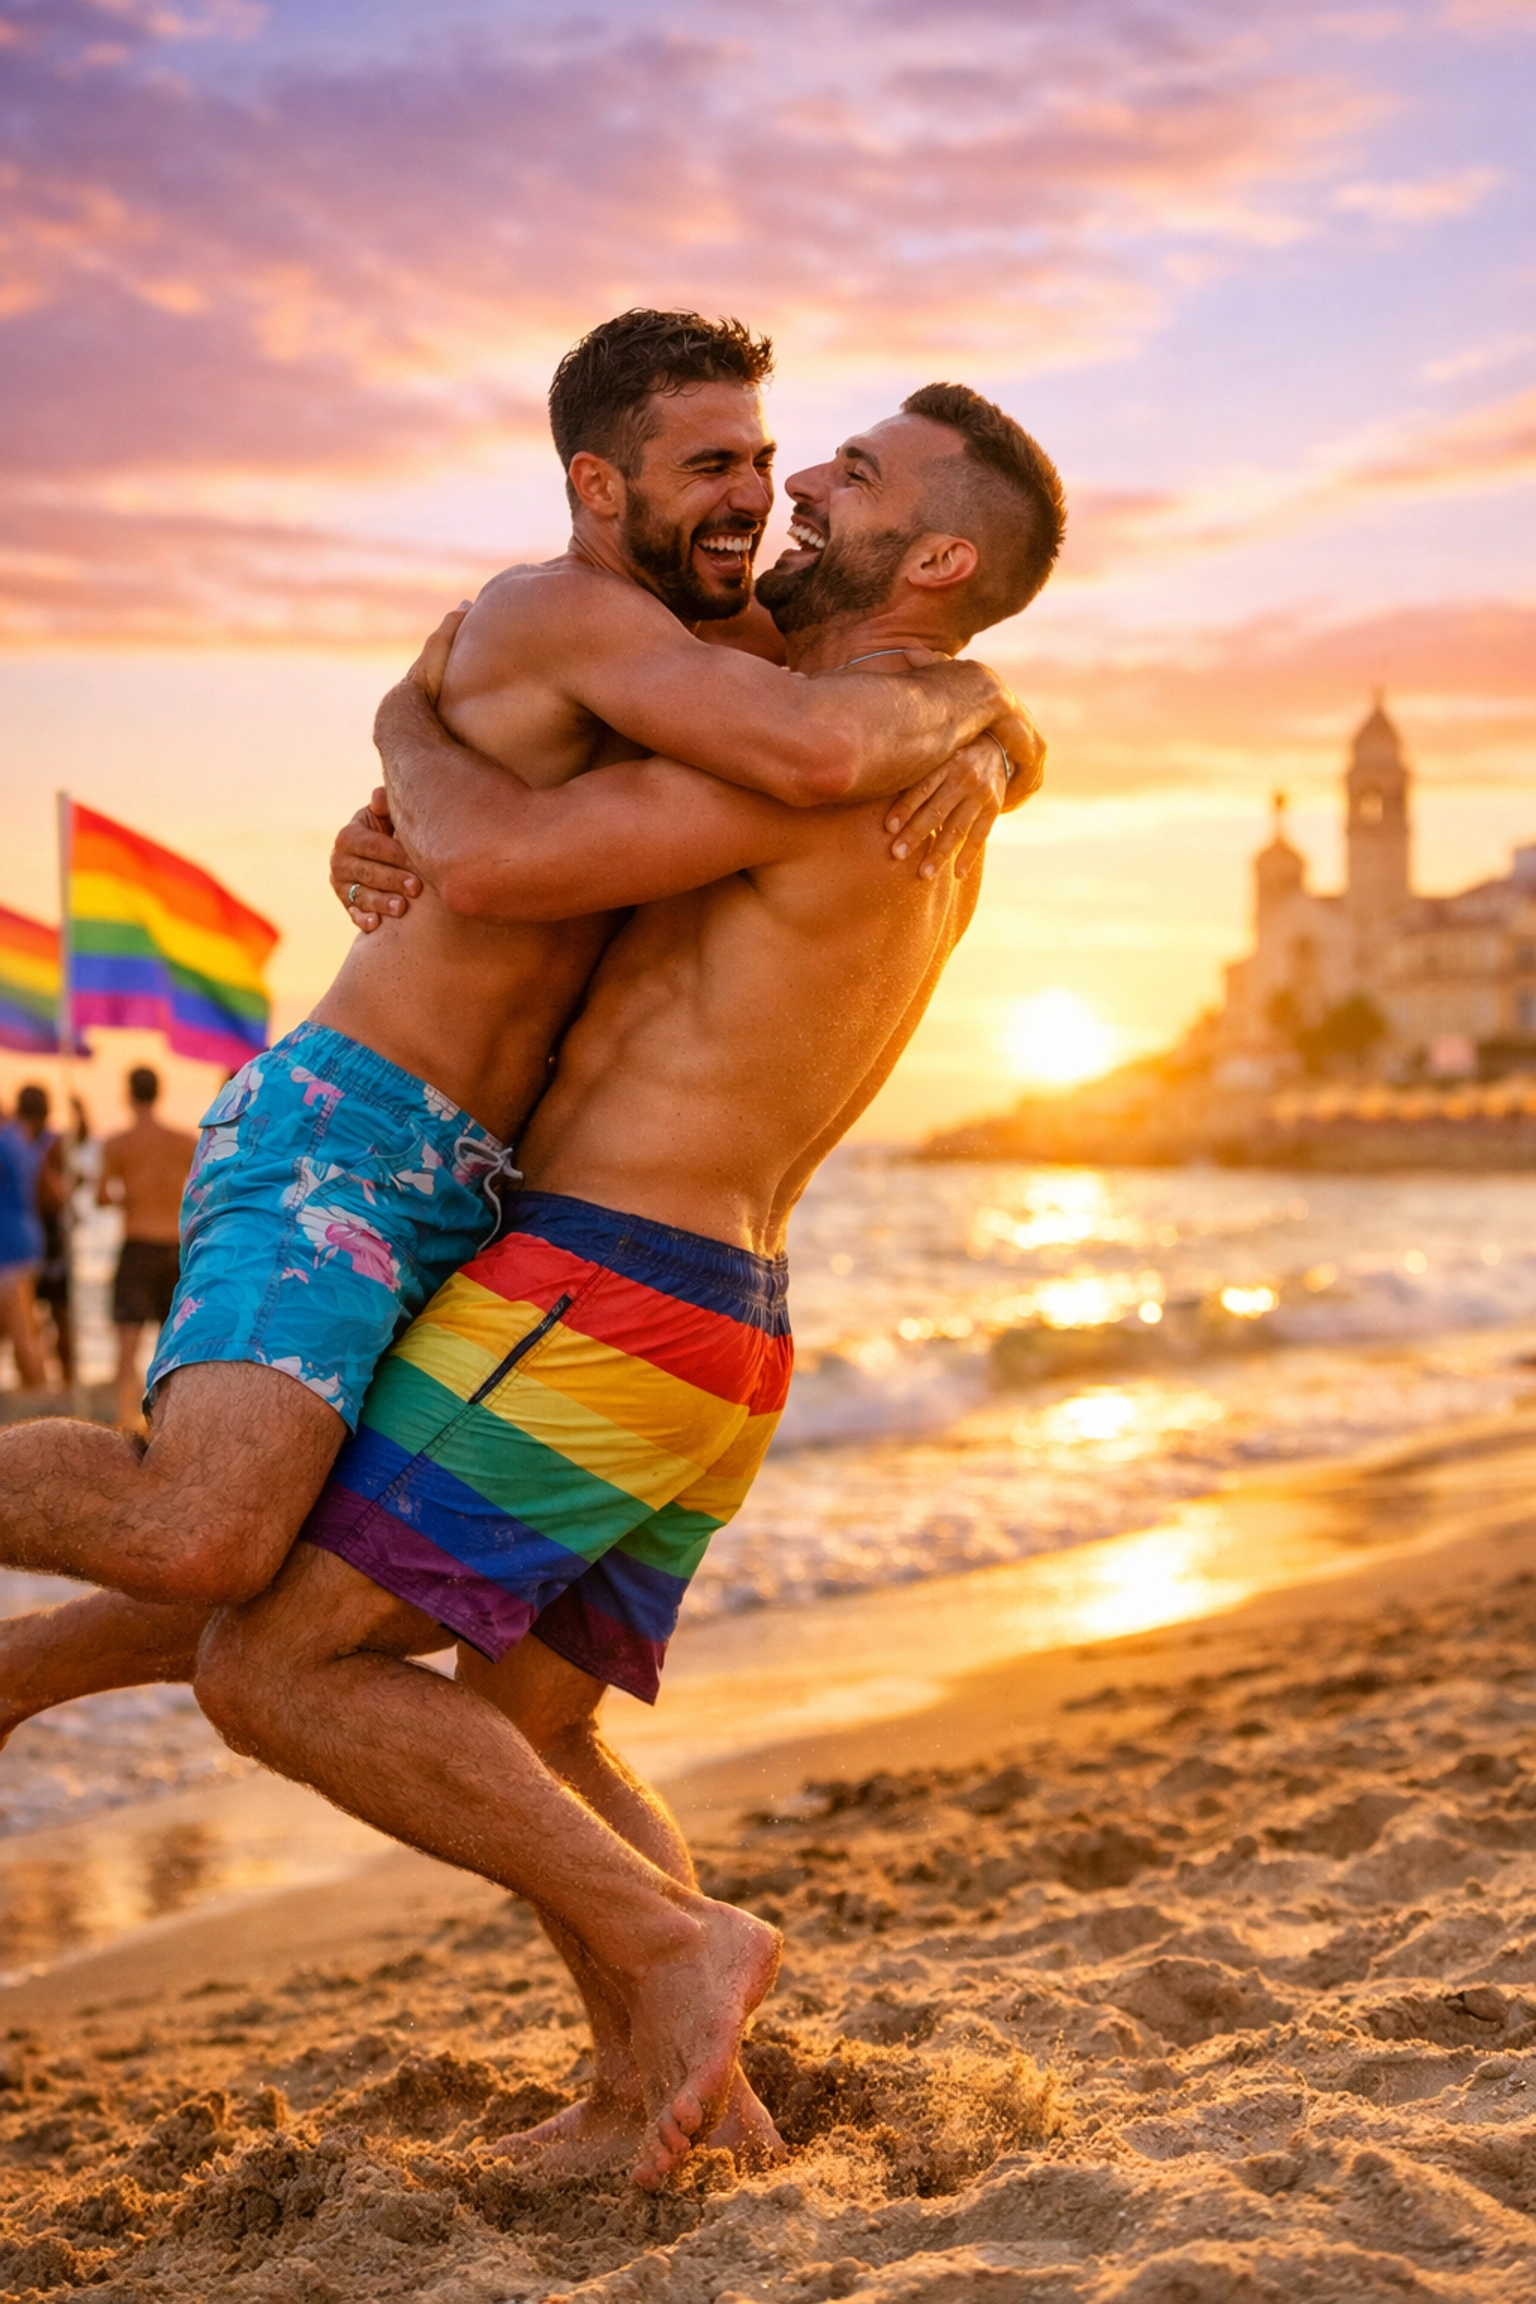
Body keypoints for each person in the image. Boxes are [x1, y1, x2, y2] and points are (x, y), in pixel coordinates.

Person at [186, 381, 1065, 2191]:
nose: (805, 481)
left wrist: (403, 713)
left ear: (944, 555)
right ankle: (672, 2088)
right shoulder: (924, 746)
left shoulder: (829, 750)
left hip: (604, 1288)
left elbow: (498, 861)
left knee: (276, 1666)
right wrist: (998, 711)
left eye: (857, 475)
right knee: (531, 1729)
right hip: (722, 1331)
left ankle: (681, 1954)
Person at [0, 313, 1032, 1738]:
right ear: (601, 486)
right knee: (208, 1533)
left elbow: (851, 713)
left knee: (303, 1565)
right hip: (358, 1121)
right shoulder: (566, 614)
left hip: (490, 1188)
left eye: (781, 461)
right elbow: (778, 763)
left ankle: (12, 1684)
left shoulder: (738, 648)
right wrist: (405, 733)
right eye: (714, 463)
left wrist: (993, 725)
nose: (763, 493)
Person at [96, 1068, 197, 1429]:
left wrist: (129, 1195)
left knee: (127, 1343)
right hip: (173, 1247)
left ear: (128, 1093)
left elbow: (101, 1195)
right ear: (158, 1092)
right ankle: (164, 1424)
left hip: (138, 1244)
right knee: (171, 1342)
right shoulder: (184, 1141)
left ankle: (125, 1422)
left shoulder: (117, 1143)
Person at [0, 1088, 66, 1396]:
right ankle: (34, 1391)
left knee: (22, 1331)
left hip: (10, 1246)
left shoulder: (6, 1144)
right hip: (26, 1238)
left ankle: (39, 1396)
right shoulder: (22, 1142)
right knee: (18, 1327)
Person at [33, 1093, 87, 1390]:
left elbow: (80, 1135)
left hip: (47, 1231)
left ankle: (59, 1378)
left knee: (55, 1311)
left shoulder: (44, 1140)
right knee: (53, 1311)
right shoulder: (44, 1142)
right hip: (47, 1230)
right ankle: (55, 1377)